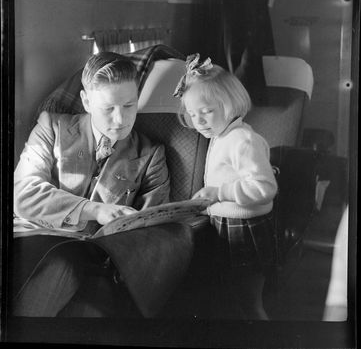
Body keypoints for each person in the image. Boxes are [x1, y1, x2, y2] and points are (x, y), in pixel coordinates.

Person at [11, 52, 173, 317]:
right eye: (108, 109)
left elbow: (155, 226)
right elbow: (23, 194)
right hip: (31, 239)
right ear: (86, 101)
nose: (120, 121)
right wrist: (94, 210)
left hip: (97, 259)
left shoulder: (151, 153)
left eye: (129, 105)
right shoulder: (51, 127)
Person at [173, 53, 278, 320]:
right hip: (226, 223)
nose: (200, 121)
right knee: (232, 297)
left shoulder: (242, 140)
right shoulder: (221, 135)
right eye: (193, 114)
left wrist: (220, 193)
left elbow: (265, 188)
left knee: (249, 301)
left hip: (245, 227)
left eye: (207, 111)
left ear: (230, 104)